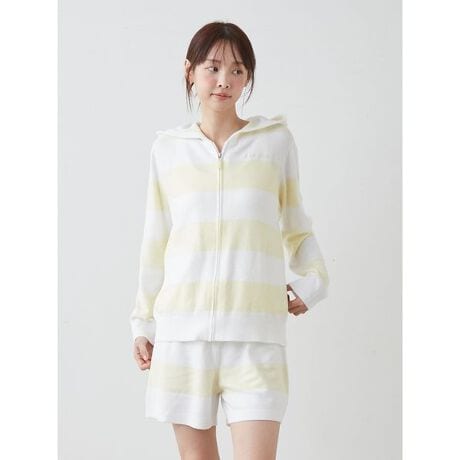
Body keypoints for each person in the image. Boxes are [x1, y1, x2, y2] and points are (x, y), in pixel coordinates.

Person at [130, 21, 329, 460]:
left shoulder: (274, 143)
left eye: (237, 70)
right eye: (213, 67)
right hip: (183, 338)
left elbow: (297, 224)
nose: (224, 80)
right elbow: (155, 241)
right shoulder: (167, 149)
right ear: (190, 71)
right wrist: (143, 323)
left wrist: (314, 282)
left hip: (255, 337)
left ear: (248, 77)